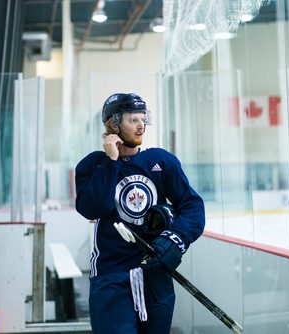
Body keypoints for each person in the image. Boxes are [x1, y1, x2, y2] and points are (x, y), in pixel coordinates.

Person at [75, 93, 205, 334]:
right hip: (111, 276)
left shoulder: (161, 161)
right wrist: (112, 162)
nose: (141, 125)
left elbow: (192, 207)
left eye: (143, 119)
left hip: (155, 274)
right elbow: (93, 208)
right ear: (114, 124)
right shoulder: (92, 165)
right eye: (133, 119)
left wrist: (174, 241)